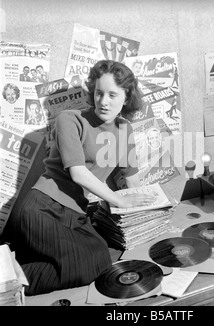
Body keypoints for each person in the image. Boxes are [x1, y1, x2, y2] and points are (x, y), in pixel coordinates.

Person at [7, 60, 156, 296]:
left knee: (102, 258)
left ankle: (13, 268)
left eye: (112, 95)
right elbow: (78, 173)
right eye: (99, 93)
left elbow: (133, 180)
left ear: (126, 98)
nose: (103, 101)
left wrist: (155, 219)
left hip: (75, 214)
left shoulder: (125, 130)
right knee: (90, 267)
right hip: (43, 208)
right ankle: (6, 284)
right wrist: (120, 201)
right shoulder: (70, 119)